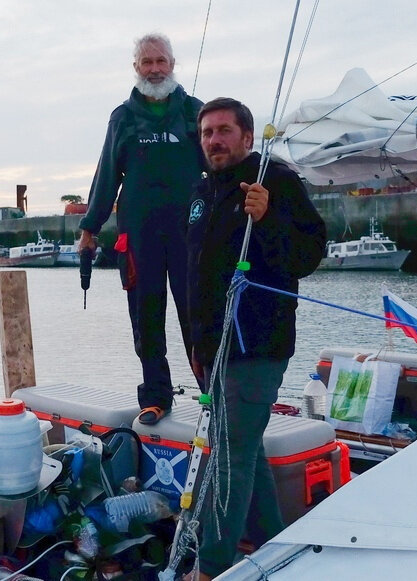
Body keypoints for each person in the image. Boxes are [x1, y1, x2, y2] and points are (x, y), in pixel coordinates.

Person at [185, 97, 326, 579]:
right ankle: (273, 542)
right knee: (243, 447)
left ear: (247, 137)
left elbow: (308, 255)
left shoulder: (276, 180)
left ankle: (211, 567)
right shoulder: (203, 191)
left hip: (257, 344)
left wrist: (268, 218)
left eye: (224, 130)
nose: (214, 140)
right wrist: (196, 344)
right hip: (214, 347)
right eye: (207, 132)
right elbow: (197, 273)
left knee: (229, 454)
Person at [77, 33, 206, 425]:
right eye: (146, 62)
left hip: (190, 234)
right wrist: (89, 227)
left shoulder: (194, 112)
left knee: (198, 316)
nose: (154, 69)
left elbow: (218, 167)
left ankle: (212, 393)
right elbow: (106, 175)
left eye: (161, 61)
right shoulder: (123, 117)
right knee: (146, 318)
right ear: (136, 68)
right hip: (138, 237)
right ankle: (156, 397)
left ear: (172, 64)